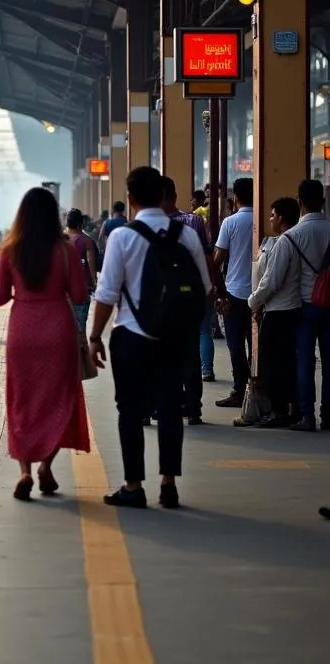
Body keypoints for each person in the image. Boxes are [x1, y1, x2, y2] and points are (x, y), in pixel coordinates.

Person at [88, 166, 211, 510]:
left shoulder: (122, 237)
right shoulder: (185, 235)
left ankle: (133, 486)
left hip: (132, 336)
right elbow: (204, 288)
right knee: (171, 405)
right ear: (162, 195)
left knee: (129, 409)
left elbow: (106, 293)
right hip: (175, 338)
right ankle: (168, 484)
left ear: (130, 199)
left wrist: (95, 337)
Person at [0, 187, 90, 501]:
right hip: (57, 332)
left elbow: (0, 297)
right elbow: (79, 295)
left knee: (22, 402)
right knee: (57, 400)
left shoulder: (10, 250)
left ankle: (24, 472)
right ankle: (46, 464)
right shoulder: (65, 251)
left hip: (22, 333)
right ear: (54, 216)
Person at [160, 176, 219, 425]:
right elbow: (205, 259)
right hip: (190, 297)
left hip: (163, 301)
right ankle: (192, 407)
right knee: (189, 352)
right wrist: (210, 288)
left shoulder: (149, 225)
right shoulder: (193, 221)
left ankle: (169, 404)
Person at [245, 197, 301, 427]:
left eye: (271, 215)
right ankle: (291, 408)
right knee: (286, 362)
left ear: (281, 218)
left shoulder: (284, 242)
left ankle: (279, 411)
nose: (269, 219)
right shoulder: (292, 239)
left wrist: (253, 301)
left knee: (273, 364)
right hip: (290, 308)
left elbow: (271, 281)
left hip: (279, 311)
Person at [281, 179, 330, 431]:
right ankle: (329, 414)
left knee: (304, 362)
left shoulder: (292, 236)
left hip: (305, 306)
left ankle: (306, 416)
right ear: (322, 201)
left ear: (299, 202)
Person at [213, 178, 254, 408]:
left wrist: (218, 290)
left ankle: (241, 391)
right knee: (255, 346)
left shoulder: (230, 222)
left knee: (235, 345)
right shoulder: (262, 220)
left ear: (235, 198)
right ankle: (255, 389)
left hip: (234, 291)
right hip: (261, 293)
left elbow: (218, 259)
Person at [64, 208, 97, 337]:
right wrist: (94, 281)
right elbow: (91, 262)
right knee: (80, 329)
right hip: (82, 290)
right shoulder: (86, 241)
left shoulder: (60, 241)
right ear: (80, 224)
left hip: (63, 292)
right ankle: (81, 354)